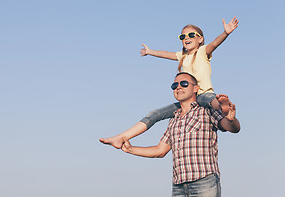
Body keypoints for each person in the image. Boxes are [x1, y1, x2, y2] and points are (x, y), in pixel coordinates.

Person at [99, 17, 239, 149]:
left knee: (211, 100)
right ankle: (122, 137)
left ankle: (222, 106)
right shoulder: (182, 56)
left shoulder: (203, 52)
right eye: (182, 37)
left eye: (191, 35)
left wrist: (225, 33)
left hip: (203, 94)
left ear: (200, 39)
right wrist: (150, 51)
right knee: (155, 114)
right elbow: (165, 53)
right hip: (188, 101)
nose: (186, 38)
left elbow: (215, 43)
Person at [121, 72, 240, 197]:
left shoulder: (206, 111)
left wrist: (231, 119)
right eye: (174, 85)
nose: (178, 87)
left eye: (184, 84)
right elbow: (160, 150)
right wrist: (130, 149)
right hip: (179, 186)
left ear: (195, 88)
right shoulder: (174, 120)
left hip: (204, 181)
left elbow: (232, 128)